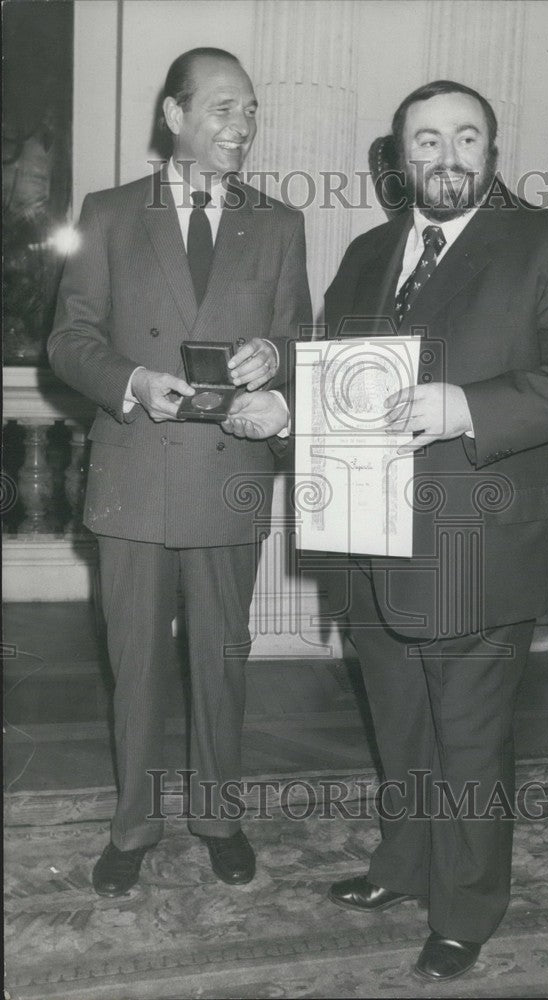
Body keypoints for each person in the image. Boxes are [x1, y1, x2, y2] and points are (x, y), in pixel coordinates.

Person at [317, 80, 548, 982]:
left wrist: (467, 405)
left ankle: (464, 909)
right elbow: (341, 385)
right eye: (425, 141)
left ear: (490, 151)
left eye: (464, 138)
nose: (444, 157)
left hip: (479, 541)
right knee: (399, 723)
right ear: (401, 154)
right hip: (368, 537)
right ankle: (401, 865)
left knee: (469, 738)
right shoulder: (366, 252)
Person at [48, 48, 310, 897]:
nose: (242, 126)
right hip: (135, 475)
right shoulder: (110, 213)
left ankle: (219, 818)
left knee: (222, 659)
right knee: (136, 666)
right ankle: (132, 828)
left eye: (251, 111)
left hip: (230, 477)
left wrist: (278, 354)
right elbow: (69, 338)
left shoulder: (277, 223)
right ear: (173, 116)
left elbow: (302, 343)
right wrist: (130, 382)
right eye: (224, 109)